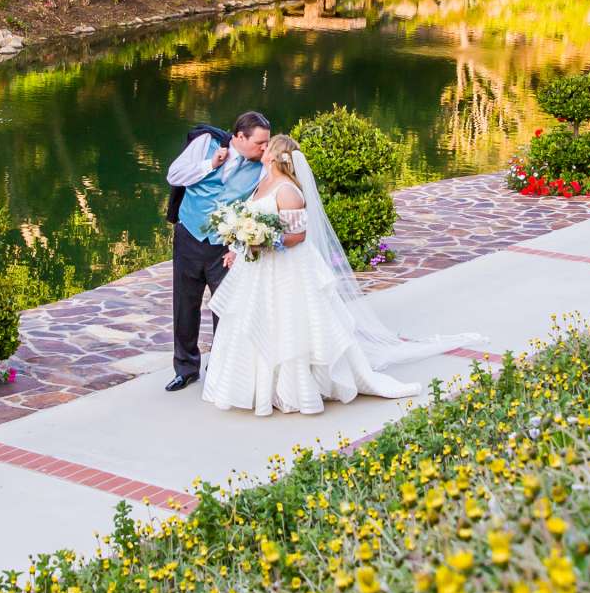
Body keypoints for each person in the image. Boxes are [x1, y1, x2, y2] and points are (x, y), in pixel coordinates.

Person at [200, 135, 469, 416]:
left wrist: (263, 241)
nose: (263, 149)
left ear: (277, 155)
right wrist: (240, 243)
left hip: (285, 267)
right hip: (258, 266)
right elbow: (254, 220)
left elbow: (298, 236)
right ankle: (255, 386)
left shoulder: (288, 191)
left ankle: (295, 388)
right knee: (257, 319)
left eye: (268, 146)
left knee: (290, 323)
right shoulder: (263, 180)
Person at [161, 111, 271, 391]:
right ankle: (185, 368)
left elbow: (259, 206)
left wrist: (239, 245)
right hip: (190, 234)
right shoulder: (207, 143)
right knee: (185, 303)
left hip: (225, 245)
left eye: (267, 142)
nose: (265, 148)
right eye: (260, 142)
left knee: (226, 306)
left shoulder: (264, 166)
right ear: (239, 137)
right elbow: (174, 174)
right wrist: (210, 164)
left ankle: (223, 365)